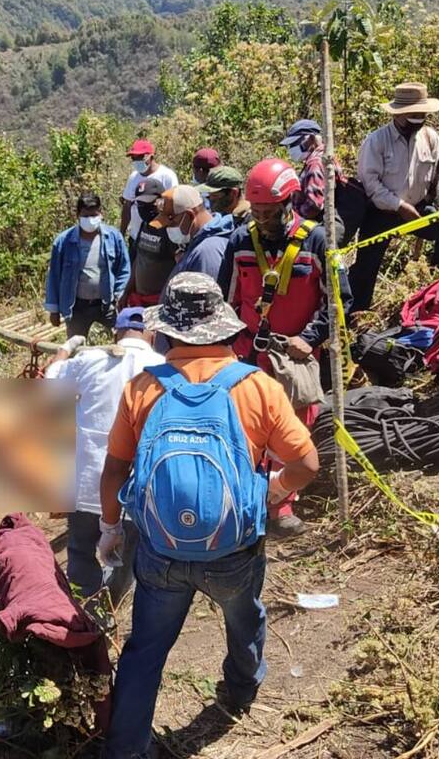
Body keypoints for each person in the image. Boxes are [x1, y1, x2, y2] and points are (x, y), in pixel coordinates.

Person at [98, 274, 321, 759]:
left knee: (145, 651)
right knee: (245, 617)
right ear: (224, 330)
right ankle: (240, 689)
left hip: (161, 551)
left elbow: (115, 469)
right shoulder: (257, 386)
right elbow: (306, 464)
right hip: (234, 549)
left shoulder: (142, 389)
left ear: (166, 333)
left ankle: (125, 749)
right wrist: (271, 492)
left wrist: (110, 529)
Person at [217, 158, 351, 537]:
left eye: (270, 211)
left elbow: (340, 300)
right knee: (247, 431)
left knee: (293, 432)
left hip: (295, 360)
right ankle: (249, 503)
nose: (262, 218)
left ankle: (282, 504)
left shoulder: (317, 241)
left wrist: (309, 338)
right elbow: (224, 301)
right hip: (248, 354)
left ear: (289, 202)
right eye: (256, 210)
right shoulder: (240, 242)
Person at [44, 307, 162, 607]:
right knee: (129, 550)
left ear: (115, 333)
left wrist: (62, 352)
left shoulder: (88, 360)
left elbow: (51, 383)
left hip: (88, 478)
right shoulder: (163, 367)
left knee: (81, 547)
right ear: (153, 334)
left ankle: (84, 611)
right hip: (136, 482)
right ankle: (113, 606)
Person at [351, 82, 439, 311]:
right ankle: (355, 315)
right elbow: (371, 185)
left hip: (418, 208)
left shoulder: (430, 138)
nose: (418, 119)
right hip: (381, 213)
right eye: (412, 115)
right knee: (365, 269)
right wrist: (398, 205)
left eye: (422, 114)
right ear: (398, 114)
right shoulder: (376, 142)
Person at [44, 193, 131, 338]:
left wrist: (121, 296)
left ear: (101, 213)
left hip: (107, 304)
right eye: (85, 216)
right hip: (77, 307)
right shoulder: (63, 242)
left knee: (121, 338)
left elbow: (124, 269)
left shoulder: (113, 237)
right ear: (77, 215)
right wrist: (54, 309)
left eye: (94, 215)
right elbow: (54, 276)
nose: (90, 220)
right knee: (75, 348)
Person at [280, 119, 363, 245]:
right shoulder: (323, 158)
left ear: (311, 139)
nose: (292, 149)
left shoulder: (316, 163)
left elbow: (313, 205)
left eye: (295, 143)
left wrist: (294, 220)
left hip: (322, 226)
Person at [119, 177, 175, 308]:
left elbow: (179, 266)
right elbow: (139, 260)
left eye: (149, 203)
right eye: (141, 204)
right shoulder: (144, 225)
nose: (144, 208)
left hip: (161, 303)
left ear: (161, 201)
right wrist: (127, 292)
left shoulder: (171, 230)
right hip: (139, 300)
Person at [166, 184, 232, 284]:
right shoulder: (198, 242)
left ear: (189, 215)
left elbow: (206, 297)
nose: (168, 229)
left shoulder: (208, 251)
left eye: (172, 223)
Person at [120, 139, 179, 243]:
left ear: (151, 156)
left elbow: (175, 207)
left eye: (140, 157)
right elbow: (127, 206)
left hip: (159, 239)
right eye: (133, 158)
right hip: (136, 238)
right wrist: (121, 233)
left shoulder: (167, 176)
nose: (136, 161)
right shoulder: (133, 177)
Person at [198, 166, 252, 234]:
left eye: (215, 196)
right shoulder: (221, 216)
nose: (211, 199)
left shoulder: (249, 220)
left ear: (234, 193)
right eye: (209, 195)